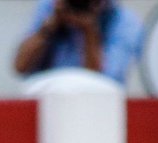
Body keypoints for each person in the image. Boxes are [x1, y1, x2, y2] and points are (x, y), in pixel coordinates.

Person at [13, 0, 143, 85]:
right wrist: (49, 27)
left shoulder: (123, 21)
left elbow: (102, 84)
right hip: (47, 100)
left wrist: (89, 31)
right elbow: (21, 66)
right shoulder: (51, 7)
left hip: (97, 111)